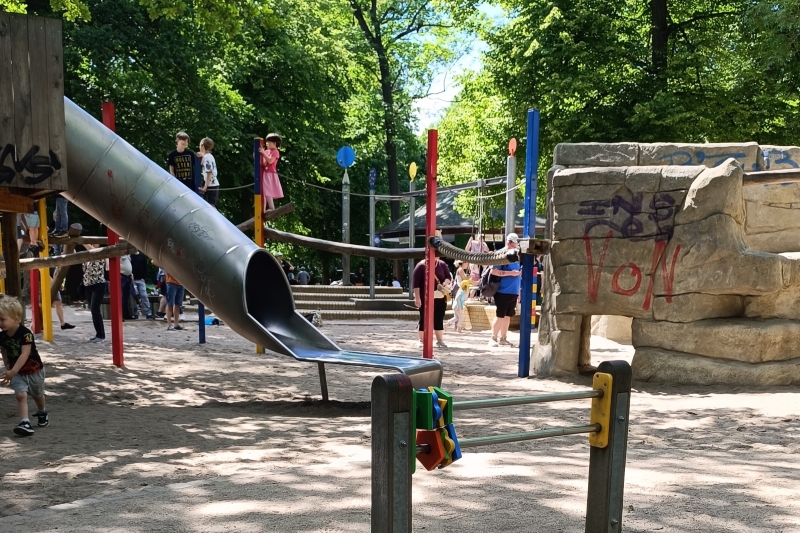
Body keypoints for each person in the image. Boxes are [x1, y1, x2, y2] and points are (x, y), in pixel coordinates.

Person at [0, 296, 48, 436]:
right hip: (17, 372)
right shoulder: (2, 336)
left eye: (3, 319)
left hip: (34, 370)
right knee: (20, 395)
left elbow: (24, 354)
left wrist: (12, 371)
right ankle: (25, 422)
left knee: (37, 395)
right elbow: (3, 349)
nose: (0, 323)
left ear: (15, 319)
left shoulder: (26, 334)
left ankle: (42, 412)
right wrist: (8, 367)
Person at [412, 253, 452, 349]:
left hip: (440, 296)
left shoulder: (442, 264)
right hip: (425, 297)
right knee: (424, 318)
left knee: (439, 318)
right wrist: (417, 298)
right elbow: (416, 284)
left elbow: (448, 276)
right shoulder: (421, 266)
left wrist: (444, 283)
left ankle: (439, 340)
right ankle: (421, 340)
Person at [488, 233, 521, 347]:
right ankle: (493, 337)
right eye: (515, 243)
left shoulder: (516, 255)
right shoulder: (500, 254)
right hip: (502, 290)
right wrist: (511, 273)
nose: (516, 246)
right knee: (500, 314)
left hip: (513, 290)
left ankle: (503, 338)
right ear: (509, 242)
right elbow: (494, 271)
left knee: (508, 315)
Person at [82, 244, 108, 343]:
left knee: (95, 309)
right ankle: (98, 334)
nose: (92, 245)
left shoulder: (100, 254)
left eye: (94, 243)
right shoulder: (87, 256)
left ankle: (101, 335)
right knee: (93, 311)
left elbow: (91, 249)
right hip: (88, 285)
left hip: (98, 284)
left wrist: (83, 241)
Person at [257, 133, 284, 215]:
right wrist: (259, 154)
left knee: (267, 190)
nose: (267, 144)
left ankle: (272, 207)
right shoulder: (267, 151)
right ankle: (264, 209)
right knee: (264, 191)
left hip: (271, 174)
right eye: (266, 142)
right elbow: (264, 163)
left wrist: (263, 153)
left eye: (269, 142)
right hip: (266, 173)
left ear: (275, 143)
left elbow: (270, 161)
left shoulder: (275, 152)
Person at [131, 251, 154, 320]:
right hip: (133, 280)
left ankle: (148, 313)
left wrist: (144, 277)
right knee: (134, 297)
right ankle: (135, 313)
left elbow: (145, 267)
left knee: (144, 295)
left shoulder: (142, 256)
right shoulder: (130, 256)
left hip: (141, 280)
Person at [197, 137, 219, 208]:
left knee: (211, 206)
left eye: (200, 145)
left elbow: (209, 172)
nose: (199, 147)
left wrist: (205, 187)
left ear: (203, 146)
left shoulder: (207, 158)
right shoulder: (209, 156)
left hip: (211, 185)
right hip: (211, 184)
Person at [120, 254, 135, 320]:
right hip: (122, 276)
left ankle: (126, 314)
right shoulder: (120, 255)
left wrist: (131, 274)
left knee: (126, 297)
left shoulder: (127, 255)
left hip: (128, 277)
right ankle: (121, 315)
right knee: (122, 297)